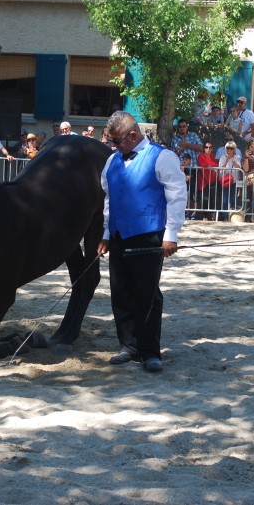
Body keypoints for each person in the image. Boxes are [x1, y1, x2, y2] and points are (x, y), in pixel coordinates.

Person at [97, 111, 186, 373]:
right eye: (111, 141)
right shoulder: (112, 160)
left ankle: (150, 352)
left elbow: (177, 196)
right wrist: (105, 233)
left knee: (146, 294)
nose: (113, 146)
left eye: (116, 141)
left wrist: (171, 235)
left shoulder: (162, 157)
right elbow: (109, 199)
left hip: (148, 234)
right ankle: (129, 345)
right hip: (118, 235)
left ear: (133, 135)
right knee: (120, 291)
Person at [217, 141, 242, 221]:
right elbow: (221, 168)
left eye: (231, 148)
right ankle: (225, 217)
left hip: (233, 181)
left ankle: (232, 217)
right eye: (228, 148)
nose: (229, 150)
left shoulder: (237, 157)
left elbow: (239, 167)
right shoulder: (222, 157)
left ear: (234, 149)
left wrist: (233, 160)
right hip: (225, 181)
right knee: (224, 200)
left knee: (233, 200)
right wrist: (227, 160)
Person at [196, 142, 219, 220]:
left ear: (212, 149)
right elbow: (204, 165)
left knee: (212, 198)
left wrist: (211, 167)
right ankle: (204, 216)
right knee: (204, 199)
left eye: (210, 147)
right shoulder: (201, 156)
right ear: (204, 148)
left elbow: (215, 165)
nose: (208, 149)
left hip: (212, 180)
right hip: (204, 181)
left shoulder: (212, 156)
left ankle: (211, 215)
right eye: (206, 147)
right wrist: (211, 167)